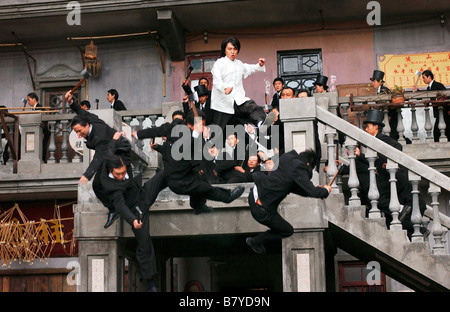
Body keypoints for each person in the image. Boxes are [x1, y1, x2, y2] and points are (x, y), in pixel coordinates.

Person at [65, 90, 132, 228]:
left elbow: (99, 157)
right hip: (108, 151)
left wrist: (86, 175)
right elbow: (79, 110)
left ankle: (129, 205)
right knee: (97, 185)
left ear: (87, 126)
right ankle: (113, 209)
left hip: (120, 151)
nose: (78, 135)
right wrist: (70, 101)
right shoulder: (89, 118)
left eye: (79, 131)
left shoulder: (99, 134)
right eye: (76, 132)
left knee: (120, 179)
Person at [245, 149, 331, 254]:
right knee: (287, 230)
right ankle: (255, 241)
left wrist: (317, 189)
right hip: (261, 208)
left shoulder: (286, 158)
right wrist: (326, 190)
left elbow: (298, 188)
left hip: (254, 195)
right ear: (308, 164)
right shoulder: (299, 167)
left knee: (282, 226)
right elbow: (312, 192)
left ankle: (256, 241)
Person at [100, 153, 163, 291]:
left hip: (143, 193)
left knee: (166, 174)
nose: (122, 175)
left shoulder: (125, 161)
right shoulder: (111, 188)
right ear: (111, 172)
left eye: (123, 172)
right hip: (135, 211)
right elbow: (121, 206)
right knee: (144, 242)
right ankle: (150, 281)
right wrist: (133, 220)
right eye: (118, 174)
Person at [361, 110, 428, 238]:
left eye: (368, 126)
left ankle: (414, 223)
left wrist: (388, 161)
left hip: (397, 177)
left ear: (376, 127)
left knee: (383, 201)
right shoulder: (373, 141)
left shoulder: (381, 138)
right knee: (391, 213)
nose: (366, 129)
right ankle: (417, 229)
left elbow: (398, 147)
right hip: (388, 179)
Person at [210, 37, 275, 133]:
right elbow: (216, 80)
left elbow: (249, 68)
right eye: (230, 49)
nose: (232, 52)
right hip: (223, 103)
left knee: (252, 107)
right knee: (218, 131)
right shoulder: (219, 63)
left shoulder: (239, 64)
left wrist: (259, 66)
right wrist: (224, 88)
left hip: (238, 100)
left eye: (235, 49)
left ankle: (261, 122)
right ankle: (211, 145)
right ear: (224, 50)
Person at [413, 70, 448, 142]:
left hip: (444, 112)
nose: (423, 80)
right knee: (440, 132)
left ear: (429, 77)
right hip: (439, 112)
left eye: (424, 77)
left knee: (439, 132)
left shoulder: (438, 85)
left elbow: (447, 95)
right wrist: (417, 91)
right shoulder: (429, 87)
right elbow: (425, 95)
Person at [369, 70, 400, 141]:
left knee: (393, 135)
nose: (372, 83)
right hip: (387, 117)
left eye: (374, 81)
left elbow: (391, 105)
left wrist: (389, 116)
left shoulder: (384, 91)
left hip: (392, 117)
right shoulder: (380, 91)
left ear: (380, 82)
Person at [27, 92, 50, 162]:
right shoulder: (33, 109)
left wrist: (42, 132)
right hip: (36, 131)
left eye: (29, 100)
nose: (28, 102)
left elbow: (44, 121)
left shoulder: (40, 107)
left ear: (33, 99)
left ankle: (42, 160)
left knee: (42, 147)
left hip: (42, 131)